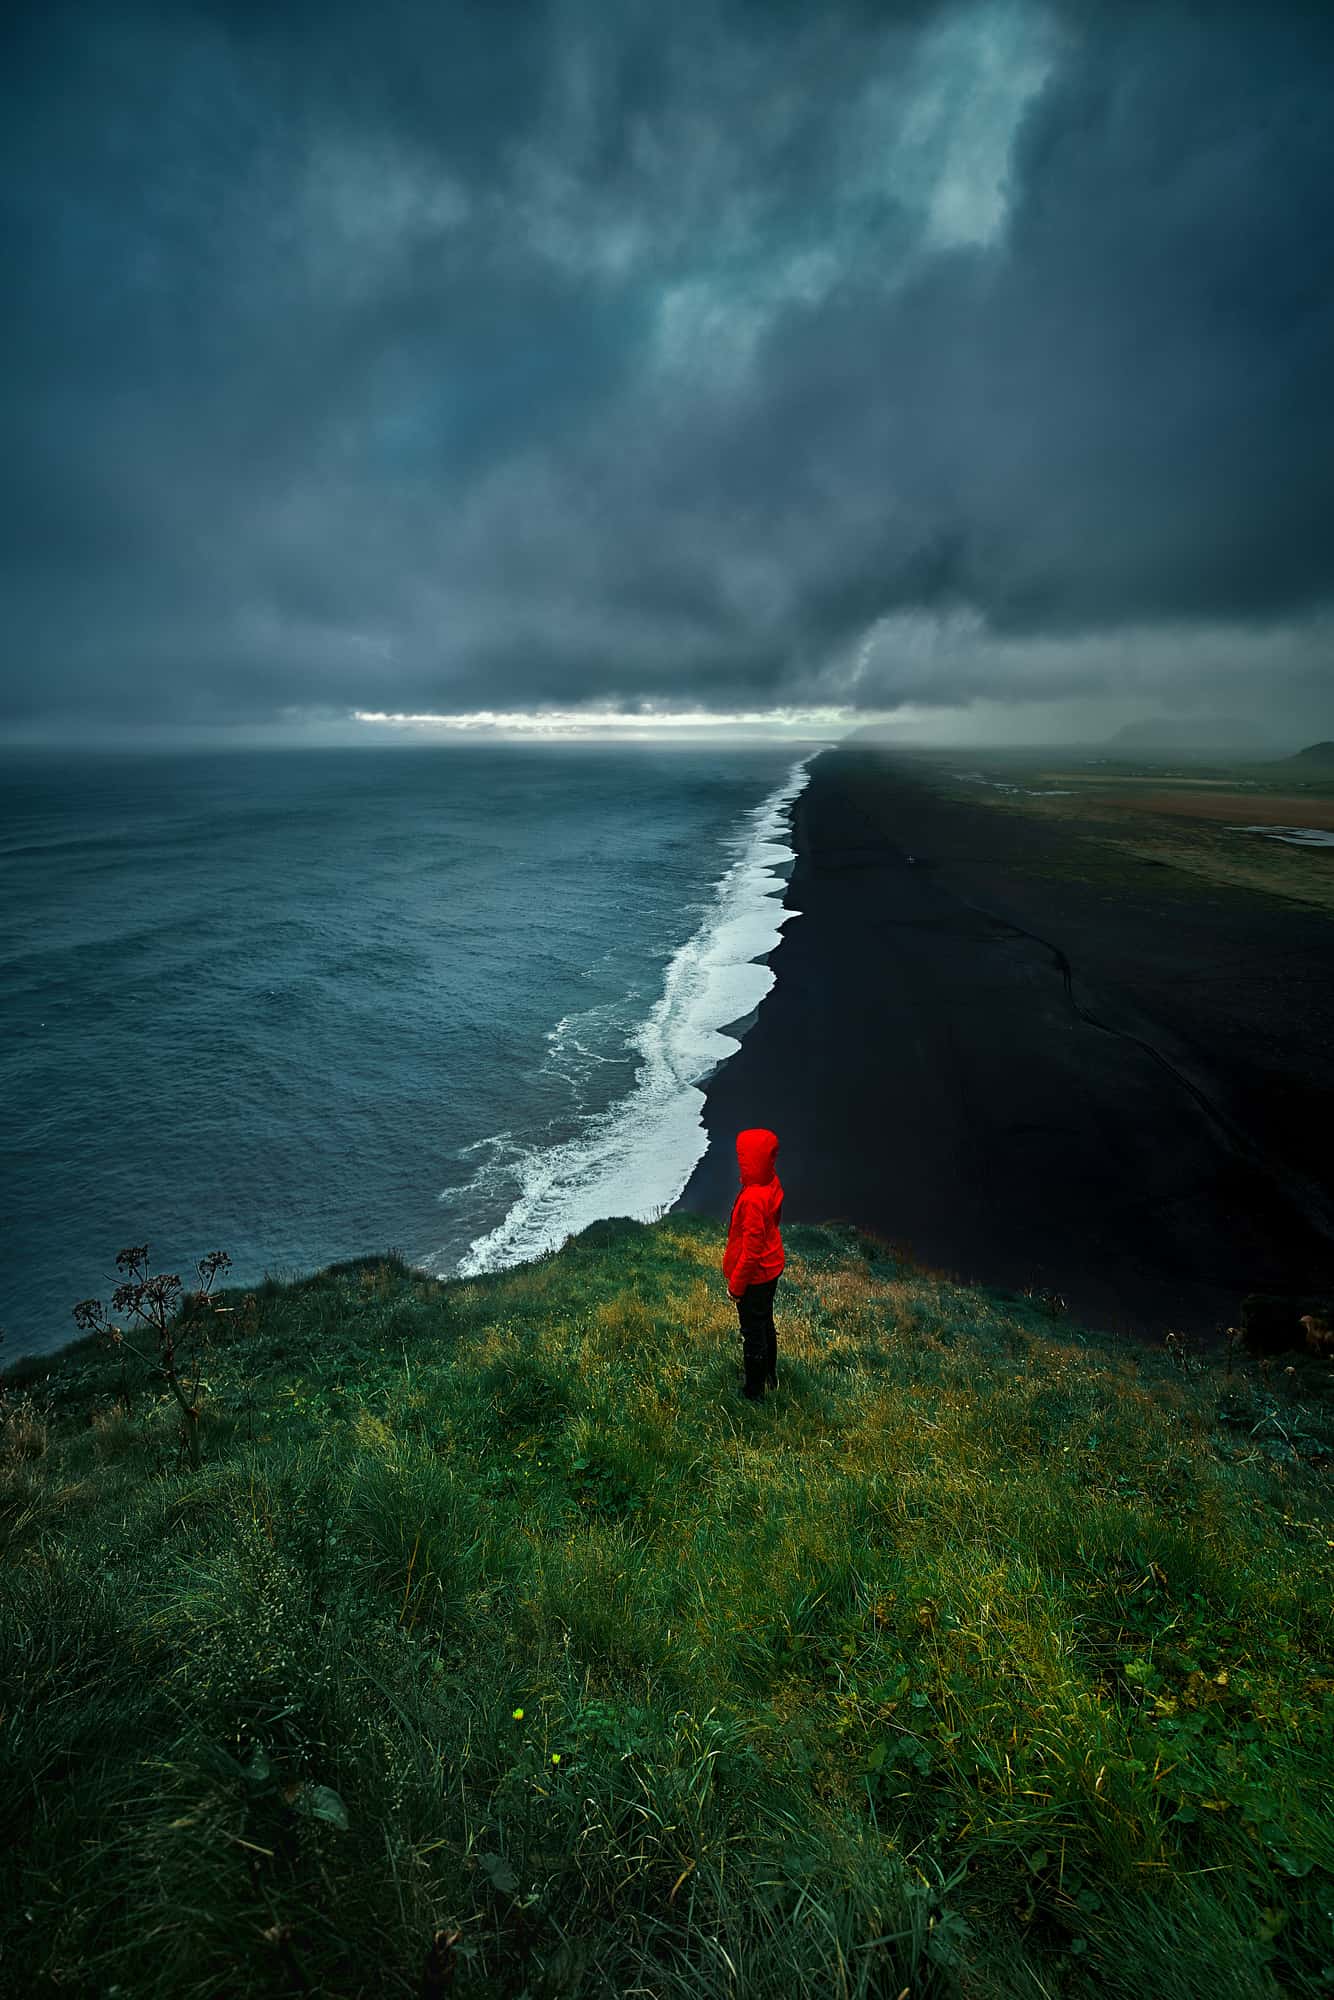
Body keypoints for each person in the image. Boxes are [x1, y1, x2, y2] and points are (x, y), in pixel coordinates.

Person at [723, 1127, 785, 1401]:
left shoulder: (752, 1199)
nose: (739, 1161)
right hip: (772, 1268)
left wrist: (736, 1288)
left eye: (742, 1157)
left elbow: (750, 1253)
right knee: (765, 1323)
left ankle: (753, 1392)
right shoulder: (770, 1182)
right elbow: (776, 1219)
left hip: (755, 1278)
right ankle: (770, 1375)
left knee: (752, 1334)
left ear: (752, 1159)